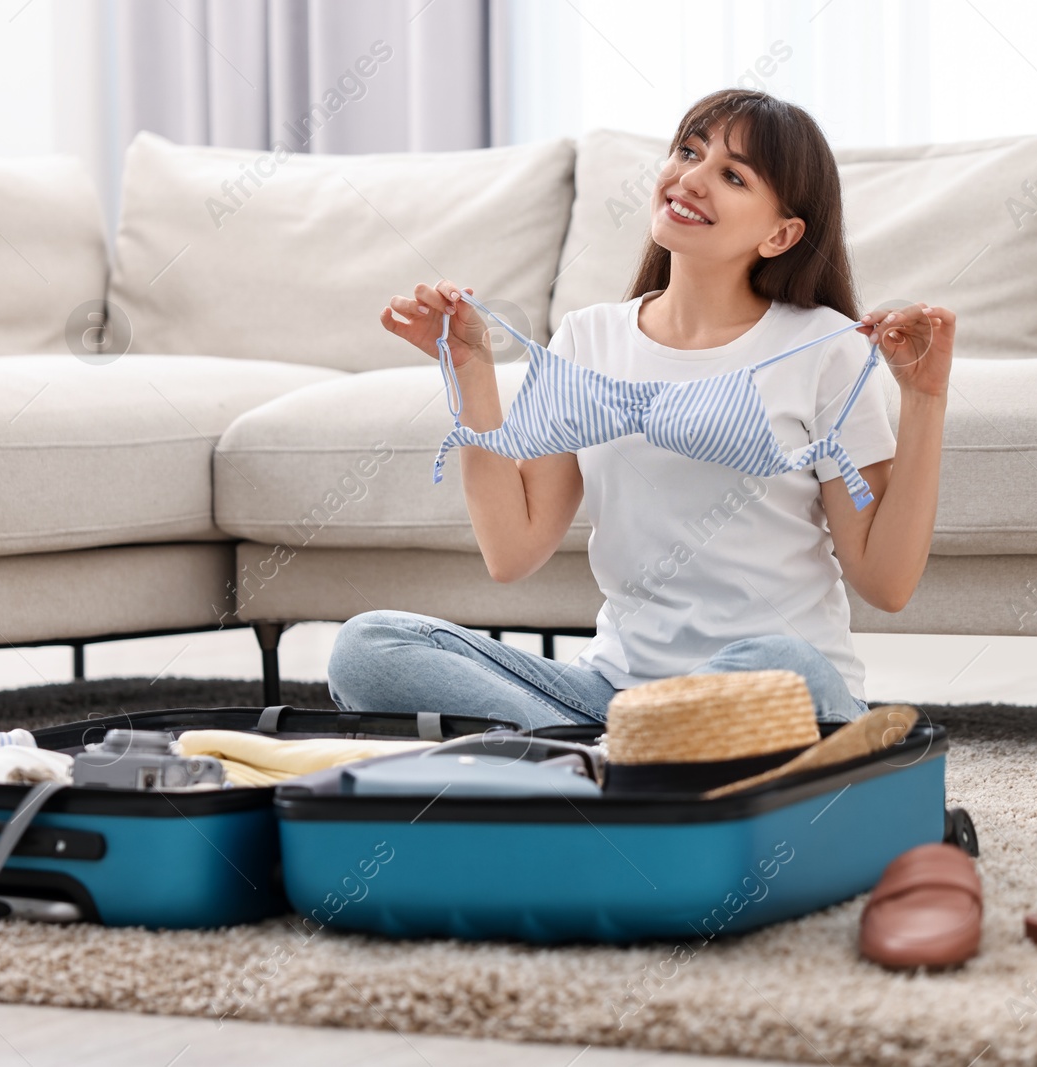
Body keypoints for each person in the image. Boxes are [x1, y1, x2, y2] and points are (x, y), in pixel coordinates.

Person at [327, 88, 953, 730]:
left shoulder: (825, 347)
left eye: (732, 175)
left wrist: (924, 400)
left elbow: (886, 583)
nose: (692, 177)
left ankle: (578, 764)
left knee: (784, 663)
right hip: (610, 696)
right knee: (370, 646)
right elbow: (511, 551)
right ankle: (612, 761)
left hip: (777, 693)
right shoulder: (587, 338)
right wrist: (468, 372)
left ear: (781, 234)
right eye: (689, 150)